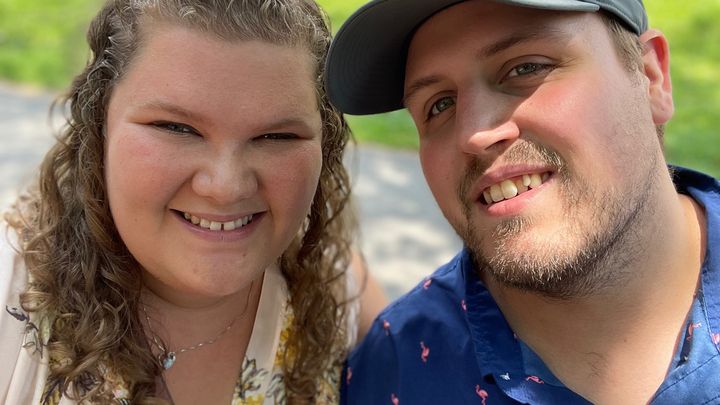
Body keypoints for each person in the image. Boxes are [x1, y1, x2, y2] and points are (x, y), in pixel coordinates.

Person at [325, 0, 719, 403]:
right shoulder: (394, 374)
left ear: (651, 78)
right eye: (440, 104)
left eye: (526, 68)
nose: (475, 134)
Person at [0, 0, 387, 403]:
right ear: (98, 128)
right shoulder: (10, 298)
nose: (226, 187)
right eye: (176, 128)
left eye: (277, 137)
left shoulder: (335, 291)